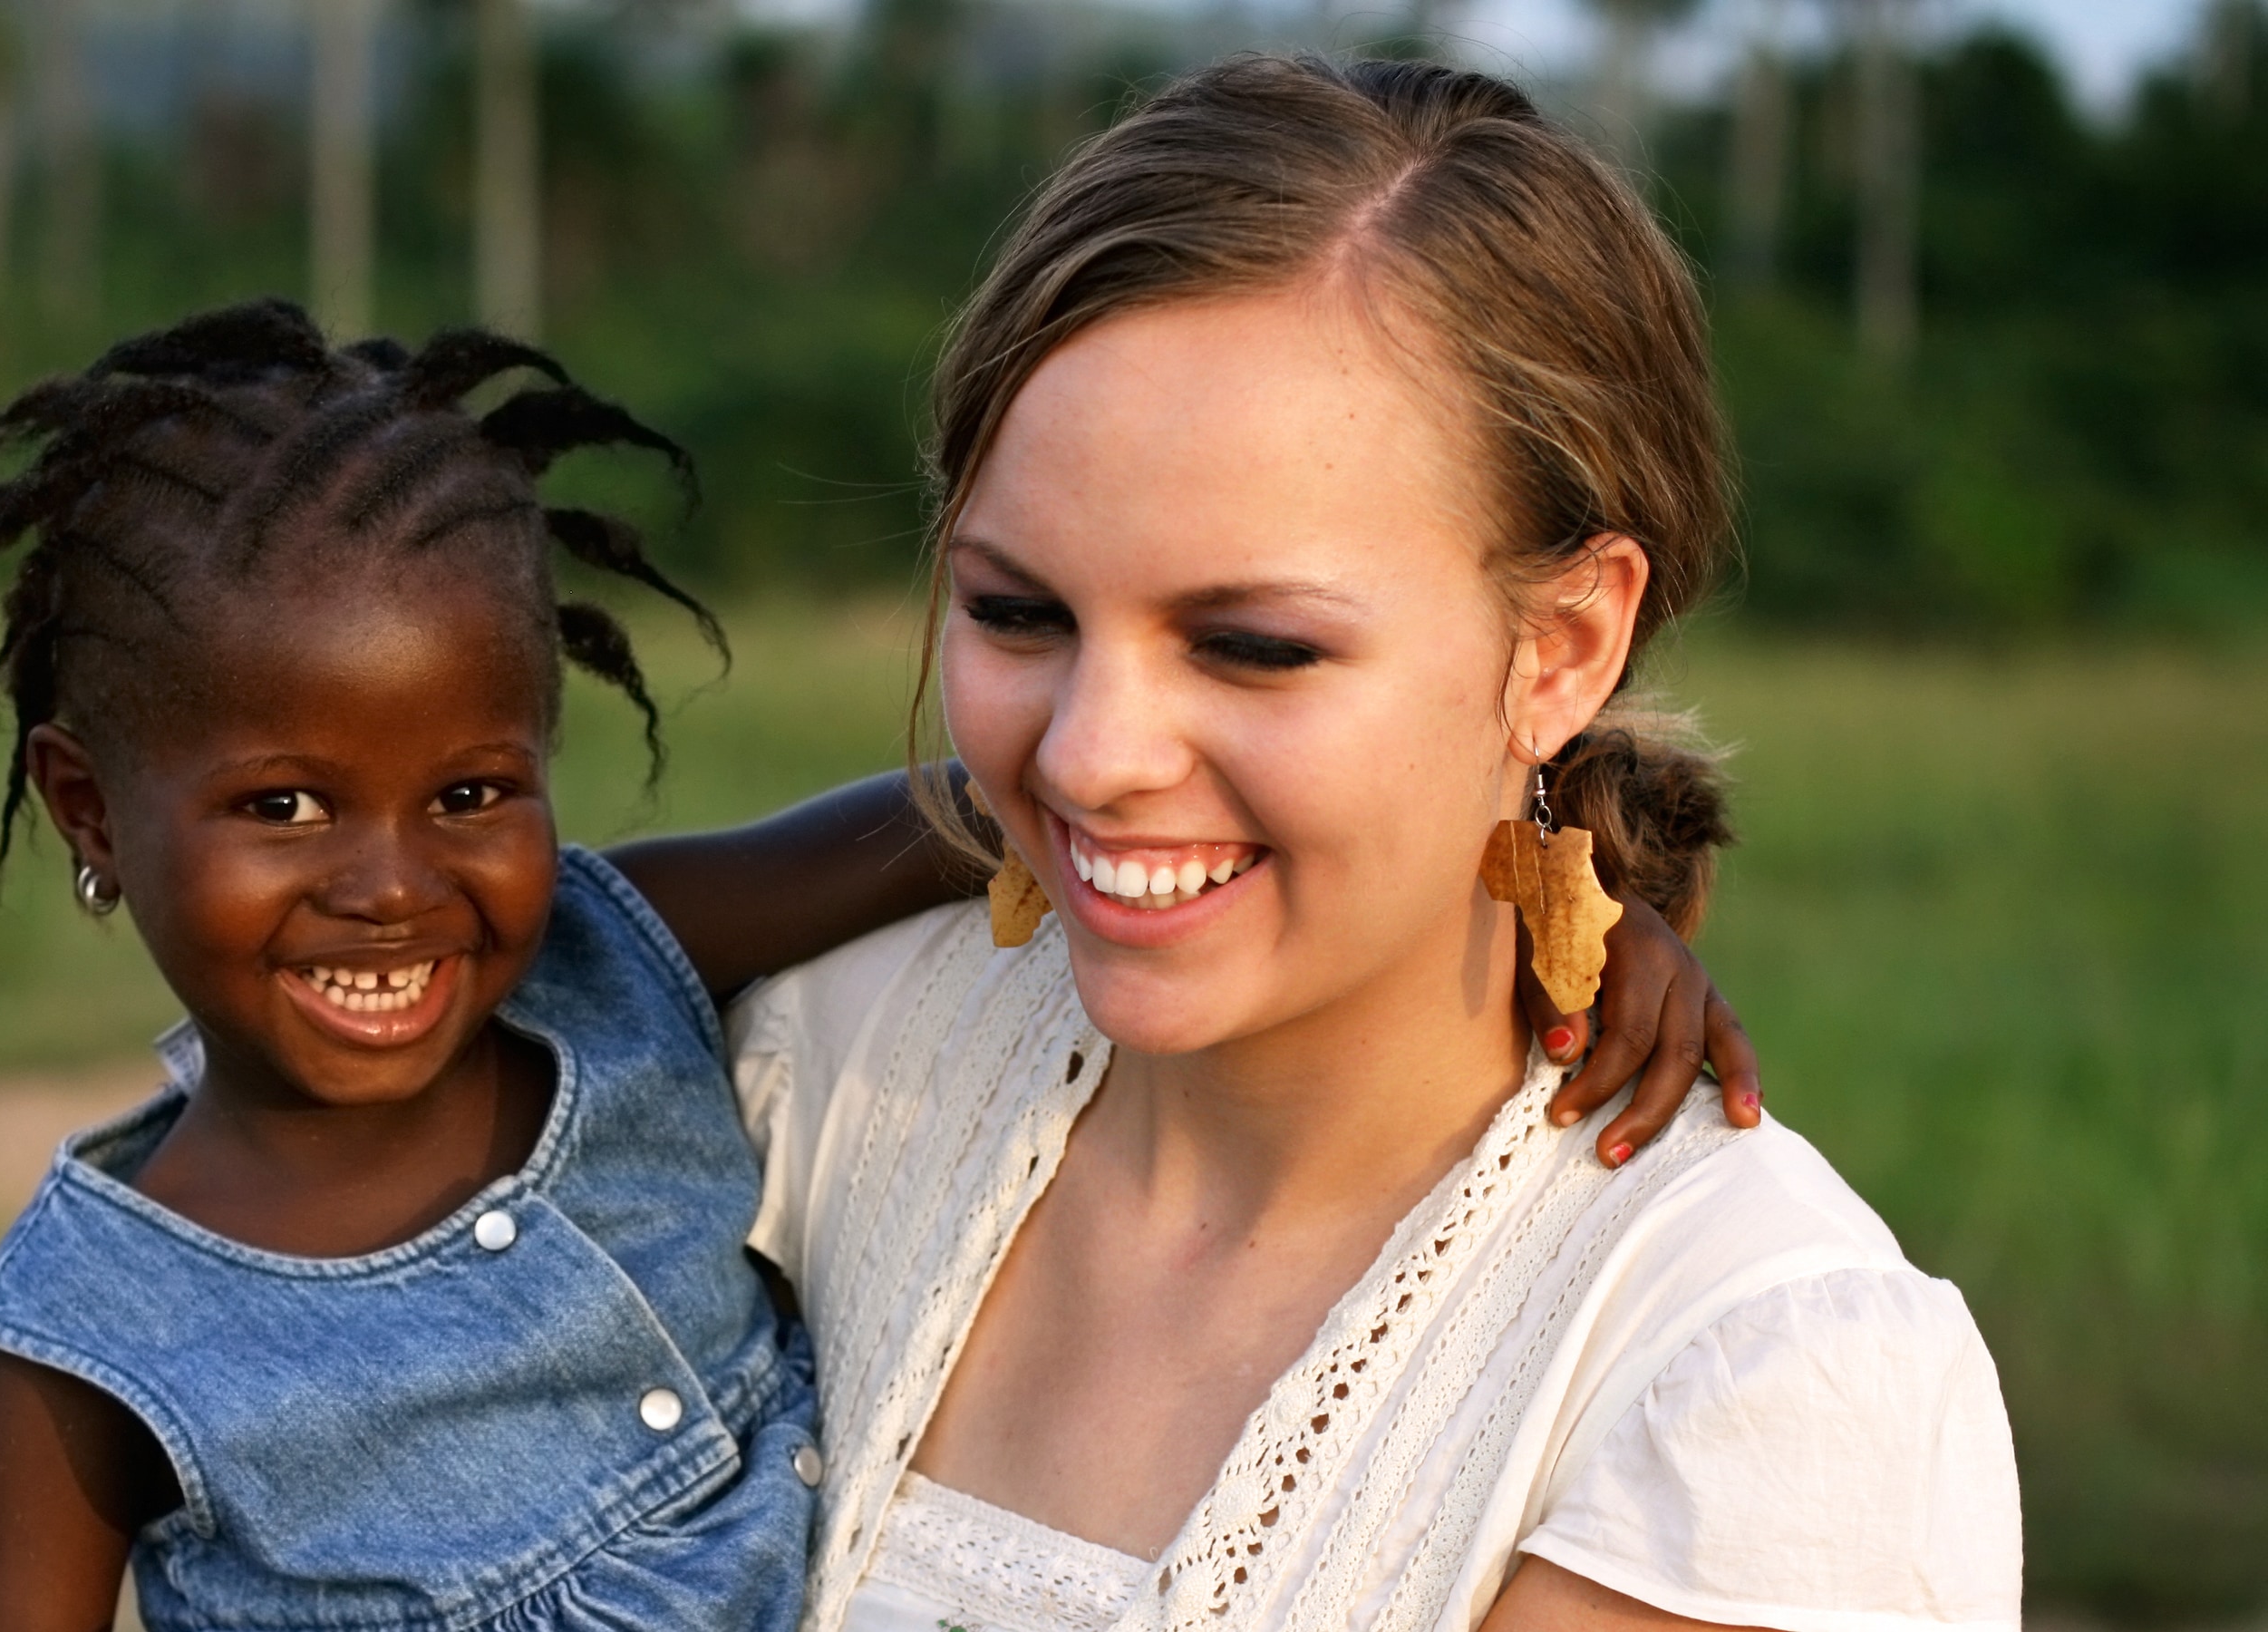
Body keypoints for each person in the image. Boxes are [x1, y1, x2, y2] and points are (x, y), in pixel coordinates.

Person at [0, 299, 1759, 1631]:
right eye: (284, 808)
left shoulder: (617, 963)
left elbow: (1055, 804)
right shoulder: (93, 1334)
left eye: (473, 789)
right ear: (93, 813)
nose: (392, 884)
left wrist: (1565, 884)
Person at [728, 54, 2021, 1632]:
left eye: (1254, 647)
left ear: (1560, 648)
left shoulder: (1751, 1379)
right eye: (1015, 613)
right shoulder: (815, 1070)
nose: (1088, 754)